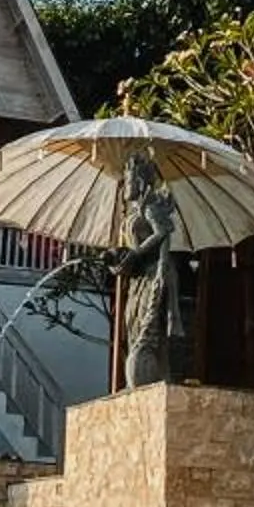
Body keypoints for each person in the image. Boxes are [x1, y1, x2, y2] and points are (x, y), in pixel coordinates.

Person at [112, 150, 182, 387]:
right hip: (139, 276)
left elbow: (162, 232)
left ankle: (149, 376)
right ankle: (149, 377)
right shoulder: (133, 209)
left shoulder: (149, 205)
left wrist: (136, 252)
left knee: (147, 326)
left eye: (130, 181)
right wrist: (118, 259)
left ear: (140, 182)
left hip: (154, 273)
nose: (127, 186)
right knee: (132, 326)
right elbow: (129, 246)